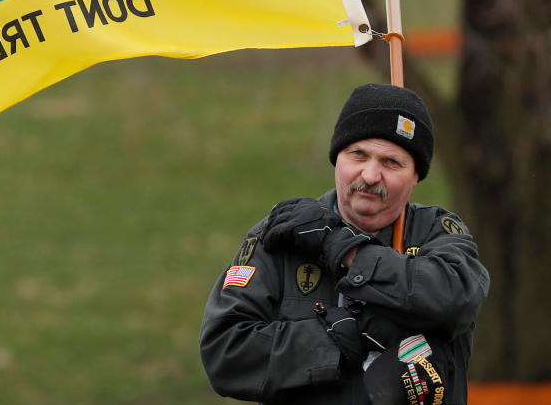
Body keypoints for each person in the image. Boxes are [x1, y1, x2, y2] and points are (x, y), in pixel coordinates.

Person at [200, 83, 490, 404]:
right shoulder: (283, 232)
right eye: (359, 155)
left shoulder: (436, 232)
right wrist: (335, 341)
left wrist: (346, 249)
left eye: (391, 162)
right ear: (337, 158)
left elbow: (456, 298)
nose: (369, 175)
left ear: (416, 176)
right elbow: (224, 353)